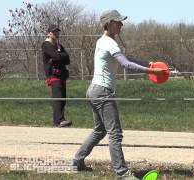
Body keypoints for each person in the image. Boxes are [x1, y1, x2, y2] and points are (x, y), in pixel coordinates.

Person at [73, 10, 164, 180]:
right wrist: (151, 71)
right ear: (108, 24)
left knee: (100, 131)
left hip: (93, 90)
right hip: (102, 92)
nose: (121, 24)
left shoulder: (104, 41)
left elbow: (126, 58)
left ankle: (77, 161)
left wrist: (146, 63)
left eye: (121, 22)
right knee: (115, 133)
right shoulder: (109, 43)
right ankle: (122, 173)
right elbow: (126, 65)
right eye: (118, 22)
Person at [41, 24, 72, 127]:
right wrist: (59, 57)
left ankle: (58, 121)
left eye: (57, 32)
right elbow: (57, 56)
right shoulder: (46, 45)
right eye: (54, 32)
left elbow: (67, 59)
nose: (56, 34)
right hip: (53, 75)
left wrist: (59, 56)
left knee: (63, 98)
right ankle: (59, 120)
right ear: (49, 34)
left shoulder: (58, 46)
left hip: (62, 74)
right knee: (58, 97)